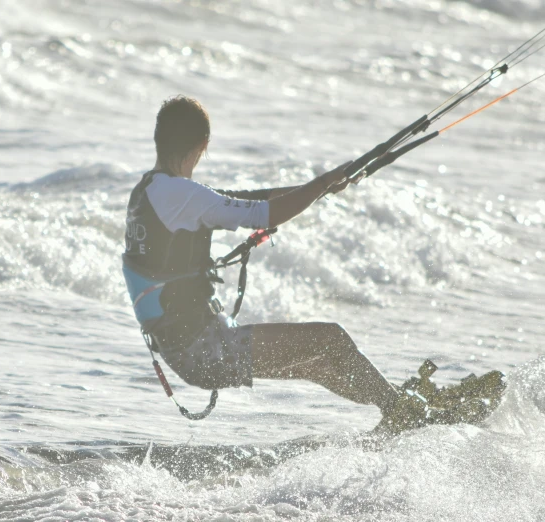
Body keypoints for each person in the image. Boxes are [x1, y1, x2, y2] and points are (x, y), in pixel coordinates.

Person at [122, 95, 418, 434]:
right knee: (331, 340)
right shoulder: (182, 194)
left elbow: (244, 197)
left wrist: (320, 188)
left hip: (186, 349)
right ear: (204, 144)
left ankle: (397, 405)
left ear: (158, 139)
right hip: (204, 349)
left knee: (318, 363)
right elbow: (263, 213)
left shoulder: (150, 190)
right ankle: (403, 413)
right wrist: (321, 183)